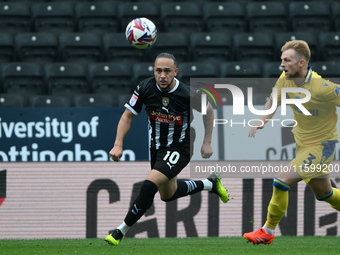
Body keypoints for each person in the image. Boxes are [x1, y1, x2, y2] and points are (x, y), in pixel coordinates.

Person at [105, 52, 229, 246]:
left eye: (167, 71)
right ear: (154, 71)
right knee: (168, 195)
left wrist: (207, 141)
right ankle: (210, 184)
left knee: (148, 186)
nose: (162, 75)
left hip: (181, 147)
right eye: (158, 70)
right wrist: (118, 143)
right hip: (156, 149)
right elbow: (128, 115)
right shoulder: (144, 87)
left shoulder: (188, 94)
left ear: (175, 72)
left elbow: (209, 111)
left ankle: (120, 231)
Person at [243, 40, 340, 245]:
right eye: (281, 60)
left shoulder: (322, 87)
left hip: (322, 146)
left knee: (282, 180)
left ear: (301, 63)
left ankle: (267, 231)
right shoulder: (285, 79)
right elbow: (274, 100)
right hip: (303, 145)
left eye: (287, 60)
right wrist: (261, 121)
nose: (282, 64)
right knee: (325, 194)